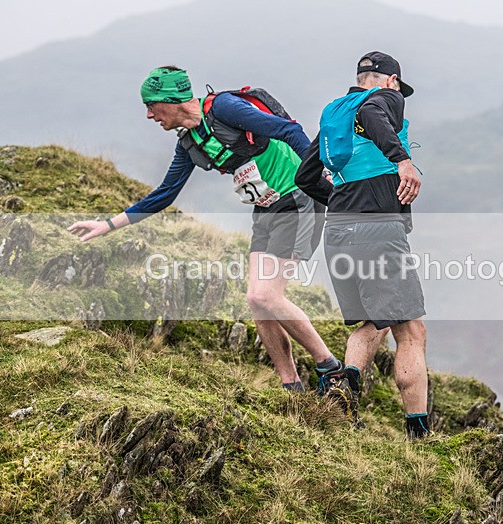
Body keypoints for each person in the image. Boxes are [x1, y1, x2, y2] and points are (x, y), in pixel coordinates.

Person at [68, 66, 343, 393]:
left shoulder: (224, 108)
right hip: (266, 208)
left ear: (170, 100)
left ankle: (330, 367)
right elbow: (165, 194)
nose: (148, 115)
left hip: (297, 199)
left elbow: (288, 130)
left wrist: (318, 178)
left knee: (264, 294)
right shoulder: (191, 141)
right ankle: (291, 385)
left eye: (151, 105)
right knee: (257, 302)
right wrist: (108, 224)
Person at [295, 51, 429, 439]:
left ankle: (344, 384)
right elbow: (375, 114)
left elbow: (306, 176)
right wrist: (402, 161)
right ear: (390, 80)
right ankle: (418, 434)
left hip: (338, 233)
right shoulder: (385, 98)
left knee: (372, 321)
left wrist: (342, 199)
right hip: (378, 232)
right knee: (411, 330)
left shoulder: (334, 115)